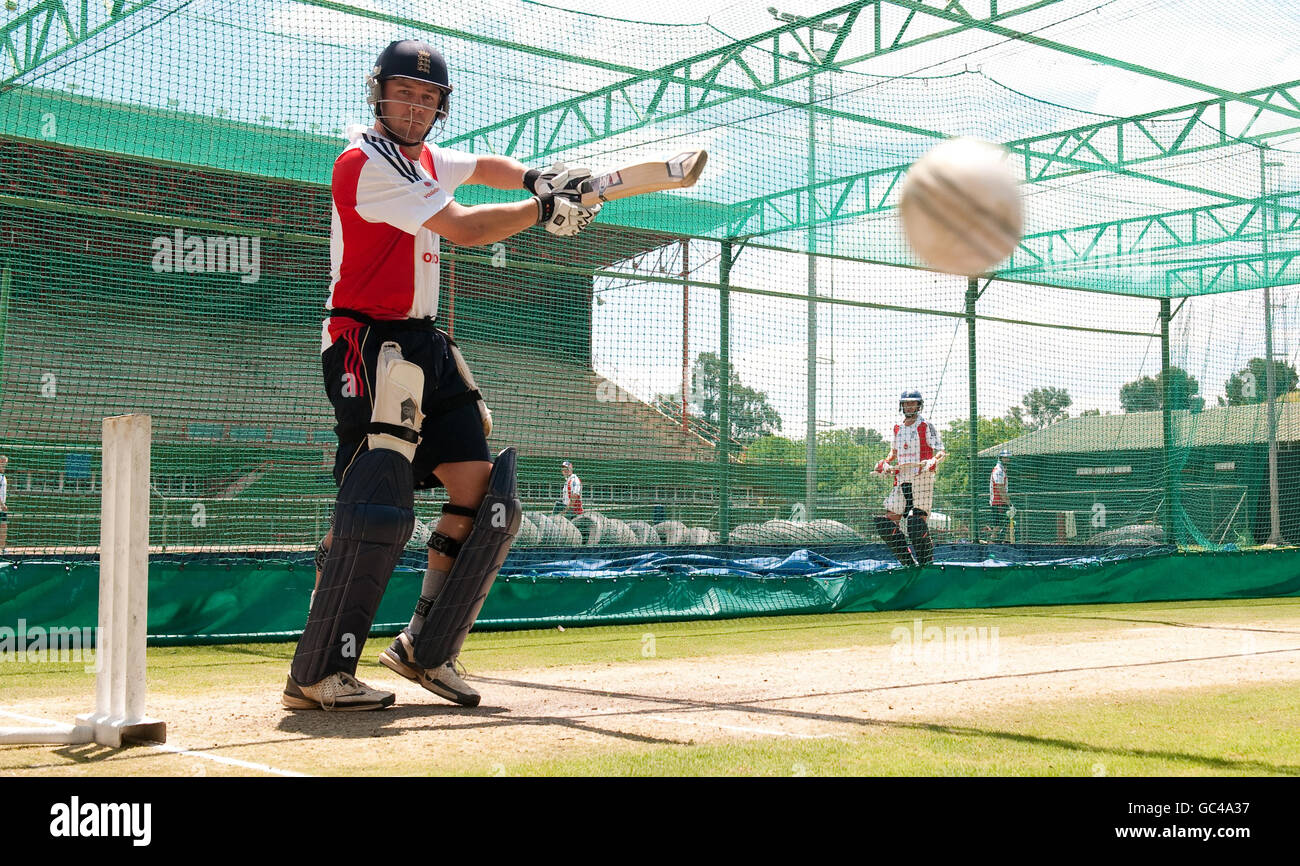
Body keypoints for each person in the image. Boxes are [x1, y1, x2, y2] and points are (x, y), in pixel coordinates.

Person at [284, 39, 602, 712]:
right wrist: (544, 210)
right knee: (376, 502)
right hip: (364, 340)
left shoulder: (424, 158)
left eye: (429, 98)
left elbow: (482, 165)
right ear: (379, 92)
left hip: (424, 339)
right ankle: (321, 668)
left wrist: (533, 178)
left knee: (487, 497)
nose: (416, 105)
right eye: (405, 92)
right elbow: (462, 228)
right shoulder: (364, 163)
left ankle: (425, 647)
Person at [873, 390, 946, 567]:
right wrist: (884, 462)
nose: (909, 406)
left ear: (919, 405)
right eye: (906, 403)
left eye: (912, 403)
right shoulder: (897, 427)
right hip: (902, 478)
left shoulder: (926, 425)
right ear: (902, 405)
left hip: (922, 478)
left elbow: (941, 451)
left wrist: (933, 461)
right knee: (885, 522)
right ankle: (907, 562)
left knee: (915, 521)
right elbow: (894, 452)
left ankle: (926, 564)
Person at [987, 449, 1011, 543]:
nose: (1007, 460)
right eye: (1005, 458)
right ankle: (992, 542)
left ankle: (1006, 542)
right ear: (1000, 458)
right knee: (999, 524)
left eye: (1008, 458)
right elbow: (1000, 489)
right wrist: (1009, 504)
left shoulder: (1002, 470)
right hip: (998, 502)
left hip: (1001, 501)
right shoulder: (998, 471)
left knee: (1006, 523)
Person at [0, 455, 8, 555]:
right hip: (1, 507)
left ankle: (2, 548)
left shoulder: (3, 476)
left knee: (3, 527)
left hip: (1, 508)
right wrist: (2, 504)